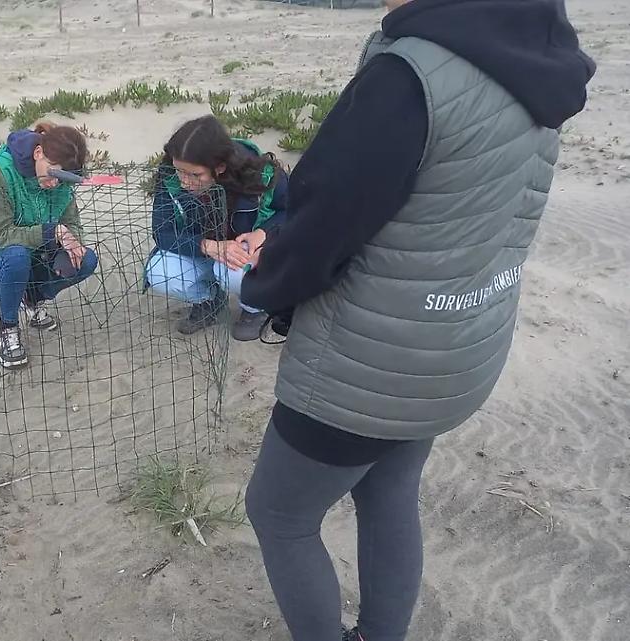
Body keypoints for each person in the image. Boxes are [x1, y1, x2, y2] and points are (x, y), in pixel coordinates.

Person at [237, 1, 594, 641]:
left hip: (370, 361)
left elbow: (325, 222)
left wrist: (264, 289)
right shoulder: (536, 60)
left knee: (280, 514)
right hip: (462, 346)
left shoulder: (409, 74)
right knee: (388, 492)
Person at [144, 115, 288, 340]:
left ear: (220, 167)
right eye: (179, 170)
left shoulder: (259, 173)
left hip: (246, 252)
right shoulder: (170, 175)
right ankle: (209, 300)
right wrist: (208, 246)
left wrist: (263, 234)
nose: (183, 181)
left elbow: (293, 212)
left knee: (230, 270)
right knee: (160, 272)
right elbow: (162, 233)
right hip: (204, 248)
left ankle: (255, 309)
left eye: (195, 174)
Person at [0, 122, 99, 369]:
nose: (54, 183)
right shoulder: (0, 169)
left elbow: (73, 222)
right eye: (52, 172)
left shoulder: (60, 183)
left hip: (38, 258)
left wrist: (74, 244)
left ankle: (32, 299)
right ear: (38, 153)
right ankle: (7, 329)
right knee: (17, 256)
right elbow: (1, 235)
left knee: (86, 260)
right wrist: (53, 231)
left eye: (62, 178)